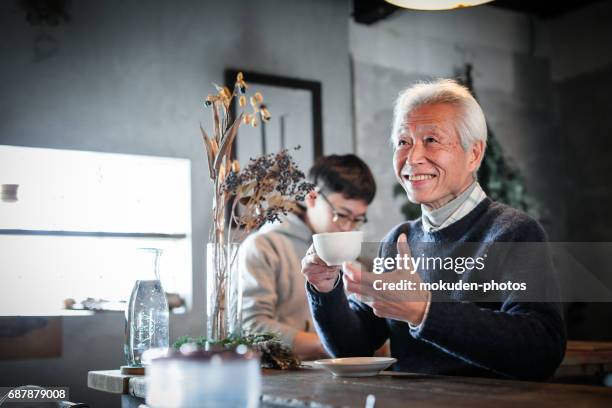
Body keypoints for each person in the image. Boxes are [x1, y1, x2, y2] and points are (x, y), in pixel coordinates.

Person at [302, 79, 566, 380]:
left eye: (431, 140)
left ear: (474, 154)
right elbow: (352, 349)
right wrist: (326, 288)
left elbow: (542, 350)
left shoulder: (513, 232)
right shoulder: (398, 240)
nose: (412, 158)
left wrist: (425, 311)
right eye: (403, 142)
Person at [240, 154, 376, 360]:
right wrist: (332, 343)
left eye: (357, 219)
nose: (347, 227)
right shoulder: (264, 247)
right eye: (341, 215)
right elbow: (251, 327)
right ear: (311, 197)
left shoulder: (349, 257)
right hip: (285, 383)